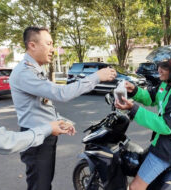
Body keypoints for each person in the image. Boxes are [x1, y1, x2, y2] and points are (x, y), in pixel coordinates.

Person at [9, 26, 117, 190]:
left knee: (44, 184)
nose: (52, 49)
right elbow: (61, 93)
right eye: (49, 43)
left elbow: (41, 105)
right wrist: (96, 77)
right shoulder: (25, 72)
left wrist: (59, 120)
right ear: (32, 45)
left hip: (43, 135)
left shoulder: (35, 69)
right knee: (40, 186)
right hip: (37, 140)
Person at [115, 45, 171, 190]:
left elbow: (166, 126)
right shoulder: (168, 84)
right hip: (163, 142)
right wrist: (134, 90)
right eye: (159, 65)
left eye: (164, 67)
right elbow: (151, 97)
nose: (159, 70)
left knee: (135, 187)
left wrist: (133, 109)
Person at [0, 117, 73, 188]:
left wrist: (59, 121)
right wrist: (47, 129)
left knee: (45, 182)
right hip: (36, 135)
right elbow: (5, 142)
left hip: (41, 133)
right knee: (40, 184)